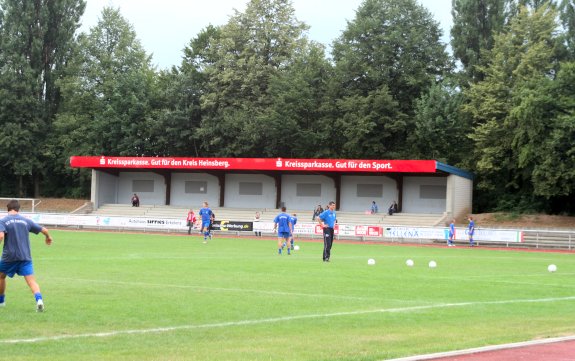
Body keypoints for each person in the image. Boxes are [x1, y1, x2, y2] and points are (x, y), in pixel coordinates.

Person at [0, 199, 53, 312]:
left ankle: (1, 301)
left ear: (8, 209)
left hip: (9, 257)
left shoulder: (3, 221)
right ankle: (39, 300)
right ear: (18, 210)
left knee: (1, 276)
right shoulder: (26, 221)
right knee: (31, 281)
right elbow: (44, 230)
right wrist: (48, 237)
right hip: (25, 257)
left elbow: (0, 236)